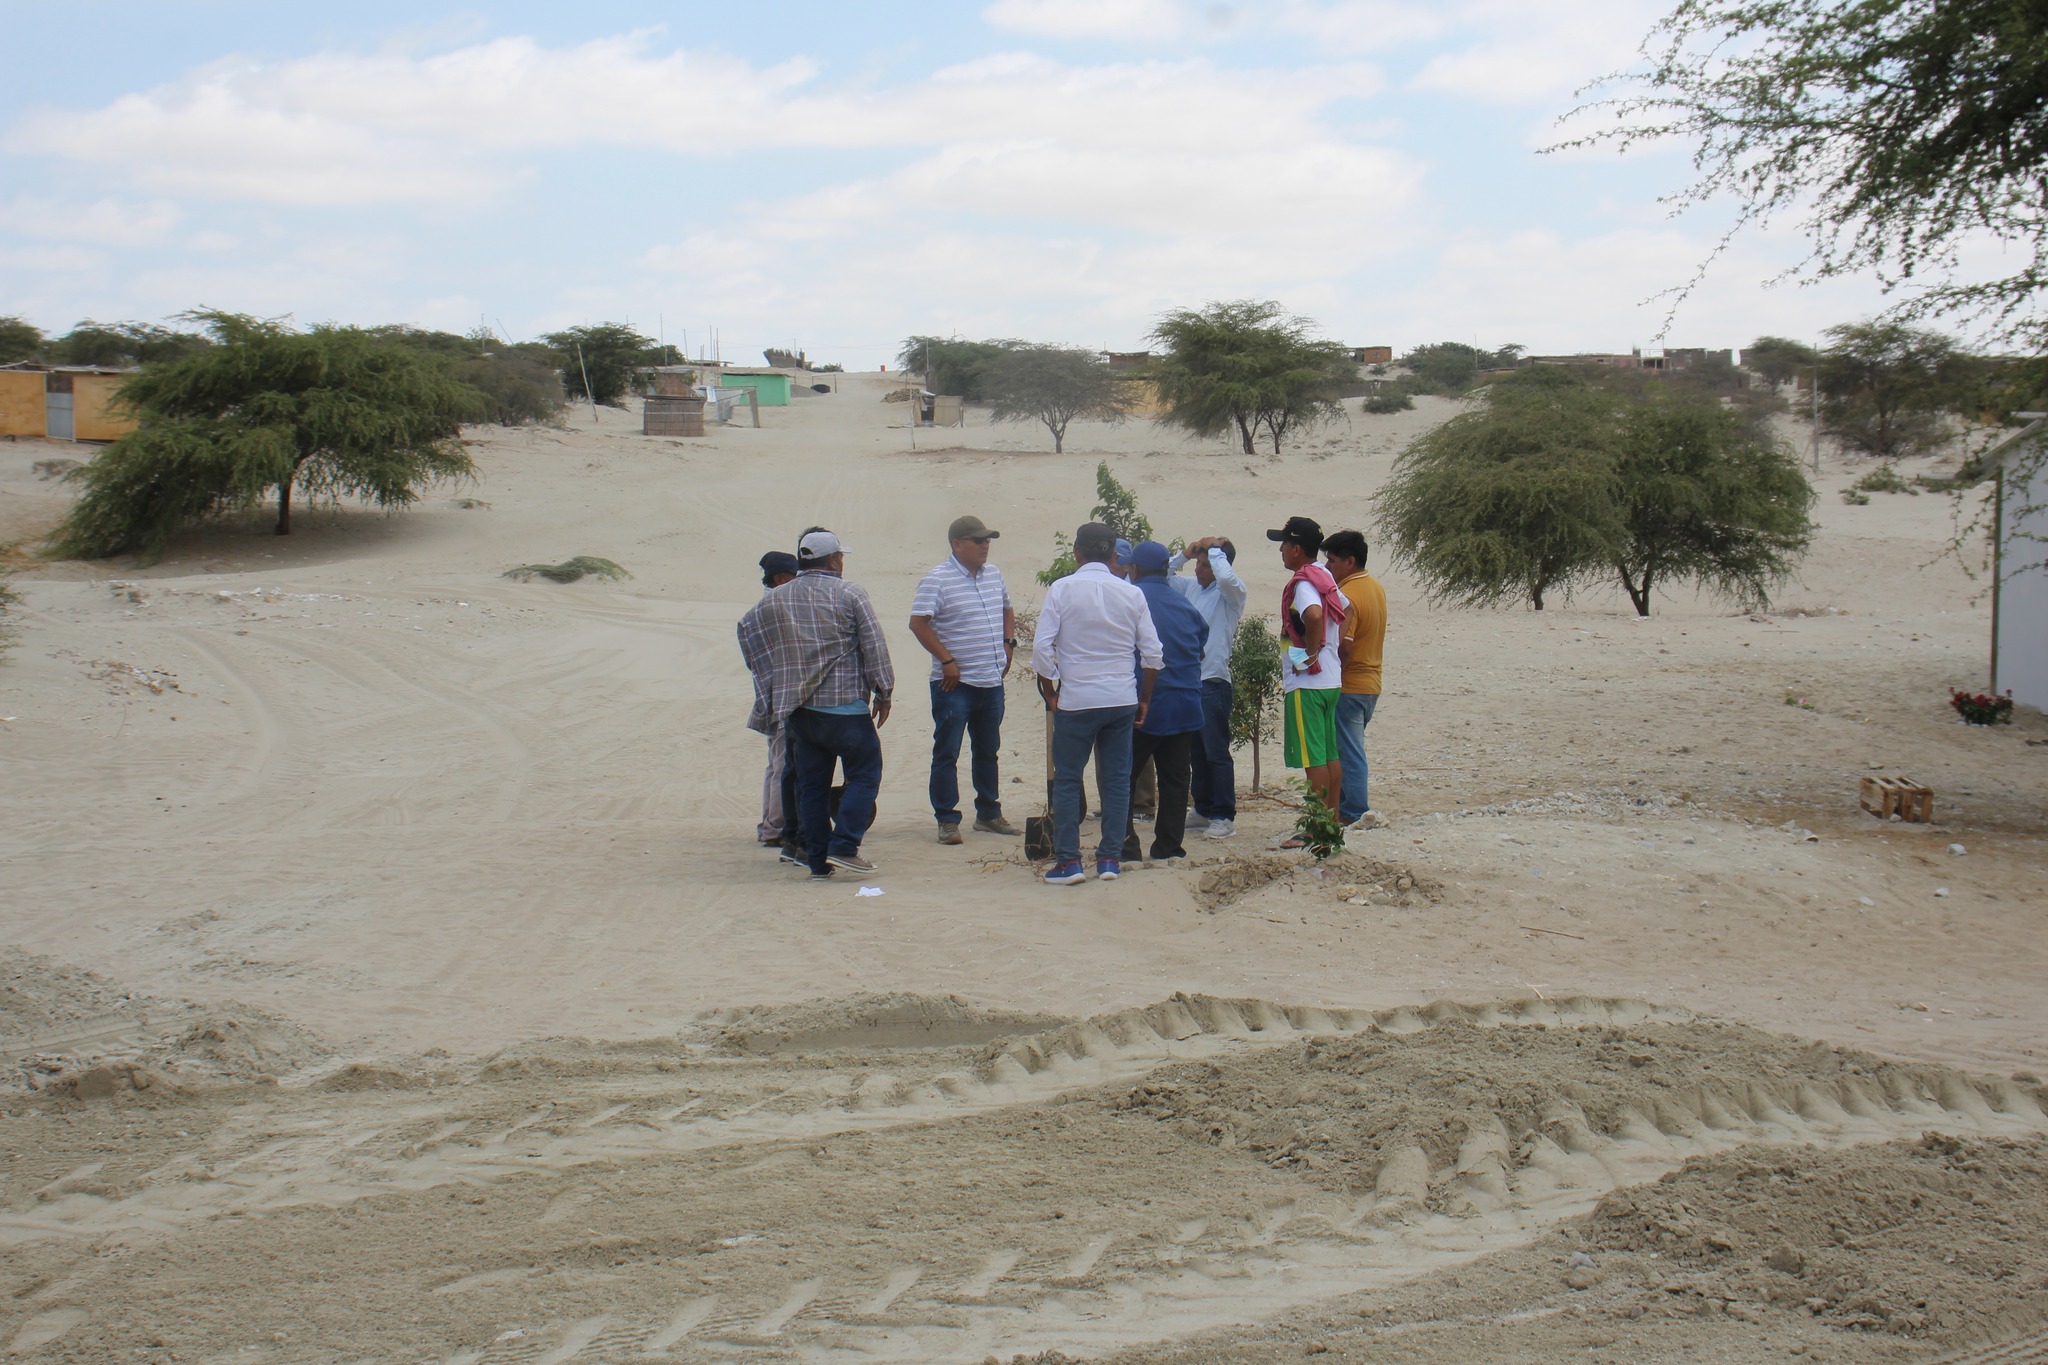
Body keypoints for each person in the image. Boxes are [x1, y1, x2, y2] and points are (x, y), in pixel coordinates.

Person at [738, 530, 894, 879]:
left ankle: (817, 859)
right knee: (865, 775)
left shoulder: (777, 597)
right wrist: (884, 691)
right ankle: (845, 845)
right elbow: (874, 644)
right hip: (845, 709)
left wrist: (772, 680)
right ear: (834, 560)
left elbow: (747, 629)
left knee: (812, 785)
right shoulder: (849, 593)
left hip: (800, 712)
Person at [1032, 522, 1162, 885]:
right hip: (1121, 698)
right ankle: (1109, 859)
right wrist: (1144, 698)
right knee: (1117, 780)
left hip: (1077, 699)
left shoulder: (1061, 589)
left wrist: (1051, 692)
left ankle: (1069, 862)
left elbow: (1043, 650)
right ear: (1114, 556)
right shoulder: (1131, 593)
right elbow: (1153, 655)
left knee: (1069, 780)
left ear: (1076, 554)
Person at [909, 515, 1021, 844]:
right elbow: (918, 623)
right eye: (978, 540)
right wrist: (946, 660)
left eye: (987, 540)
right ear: (957, 544)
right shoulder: (937, 579)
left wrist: (1008, 644)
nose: (985, 545)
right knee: (947, 752)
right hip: (954, 685)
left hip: (990, 681)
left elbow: (1007, 609)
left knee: (988, 750)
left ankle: (988, 813)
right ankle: (947, 819)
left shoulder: (993, 575)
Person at [1121, 541, 1207, 863]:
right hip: (1184, 705)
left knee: (1124, 777)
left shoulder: (1129, 599)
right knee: (1175, 780)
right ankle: (1168, 849)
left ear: (1135, 569)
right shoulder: (1185, 605)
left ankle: (1126, 847)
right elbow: (1200, 644)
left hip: (1142, 704)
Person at [1267, 515, 1347, 834]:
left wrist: (1311, 654)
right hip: (1331, 680)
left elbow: (1313, 615)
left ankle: (1317, 828)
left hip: (1308, 682)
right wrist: (1335, 646)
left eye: (1284, 544)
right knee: (1329, 754)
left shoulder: (1303, 583)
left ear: (1297, 549)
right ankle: (1332, 821)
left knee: (1313, 758)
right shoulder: (1324, 576)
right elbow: (1348, 608)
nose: (1281, 551)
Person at [1167, 536, 1247, 839]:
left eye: (1204, 565)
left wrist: (1215, 549)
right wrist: (1185, 554)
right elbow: (1162, 576)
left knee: (1216, 752)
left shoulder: (1231, 593)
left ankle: (1224, 815)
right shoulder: (1191, 588)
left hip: (1213, 681)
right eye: (1198, 565)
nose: (1199, 570)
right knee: (1195, 752)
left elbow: (1225, 575)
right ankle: (1203, 808)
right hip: (1189, 681)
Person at [1323, 529, 1387, 830]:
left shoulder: (1348, 595)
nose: (1328, 567)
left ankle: (1355, 809)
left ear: (1350, 561)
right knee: (1347, 748)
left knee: (1348, 751)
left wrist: (1333, 673)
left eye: (1332, 561)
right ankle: (1348, 806)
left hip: (1351, 685)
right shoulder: (1375, 586)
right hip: (1371, 683)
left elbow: (1344, 644)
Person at [744, 550, 801, 849]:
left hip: (772, 696)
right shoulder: (777, 608)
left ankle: (771, 825)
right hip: (785, 698)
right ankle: (775, 828)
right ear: (780, 579)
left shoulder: (758, 611)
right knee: (783, 765)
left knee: (776, 764)